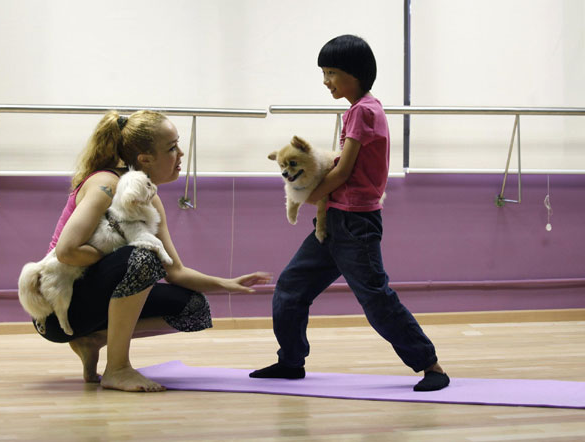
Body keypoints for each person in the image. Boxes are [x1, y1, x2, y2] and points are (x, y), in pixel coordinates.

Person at [250, 35, 449, 391]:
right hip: (336, 221)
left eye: (331, 73)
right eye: (324, 73)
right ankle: (291, 361)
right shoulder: (363, 110)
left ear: (353, 74)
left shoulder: (362, 111)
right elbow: (343, 164)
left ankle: (431, 367)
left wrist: (305, 195)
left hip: (354, 222)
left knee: (375, 298)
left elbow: (342, 174)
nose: (325, 81)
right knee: (291, 288)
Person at [37, 110, 272, 392]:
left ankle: (93, 339)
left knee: (194, 309)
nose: (181, 154)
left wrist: (228, 284)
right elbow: (67, 251)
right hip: (54, 311)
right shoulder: (106, 185)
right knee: (144, 258)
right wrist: (117, 258)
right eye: (172, 148)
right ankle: (118, 368)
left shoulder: (150, 197)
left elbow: (175, 271)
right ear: (145, 159)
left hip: (89, 306)